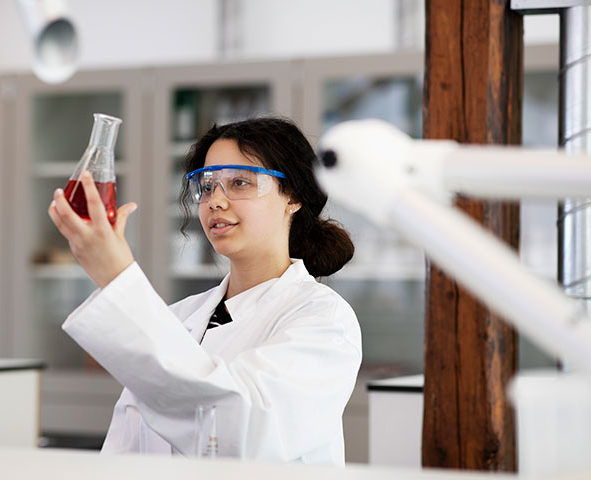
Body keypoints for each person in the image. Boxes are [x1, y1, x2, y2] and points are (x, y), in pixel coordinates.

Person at [48, 116, 362, 465]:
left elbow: (240, 432)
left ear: (294, 197)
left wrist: (118, 278)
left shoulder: (323, 320)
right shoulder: (179, 317)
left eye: (240, 182)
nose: (215, 201)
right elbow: (122, 455)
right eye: (207, 186)